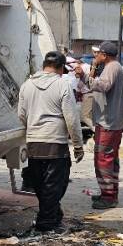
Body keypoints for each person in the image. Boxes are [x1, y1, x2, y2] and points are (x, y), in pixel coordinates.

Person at [18, 51, 84, 232]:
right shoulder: (62, 85)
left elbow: (21, 115)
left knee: (40, 184)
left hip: (34, 143)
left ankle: (53, 215)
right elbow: (71, 119)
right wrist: (78, 146)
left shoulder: (27, 85)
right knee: (55, 185)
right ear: (61, 68)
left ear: (43, 66)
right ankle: (46, 223)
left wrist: (32, 129)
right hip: (55, 145)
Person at [75, 41, 123, 209]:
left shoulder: (112, 67)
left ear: (104, 55)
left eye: (97, 54)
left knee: (103, 159)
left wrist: (86, 76)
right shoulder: (112, 67)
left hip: (108, 123)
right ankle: (109, 194)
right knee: (109, 159)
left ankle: (109, 197)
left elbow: (103, 86)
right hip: (108, 121)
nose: (95, 57)